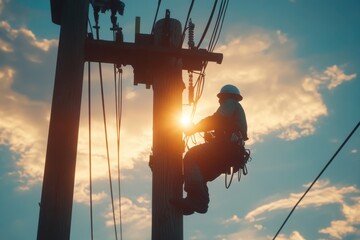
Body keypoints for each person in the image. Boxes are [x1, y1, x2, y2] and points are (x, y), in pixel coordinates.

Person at [170, 84, 248, 215]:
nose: (219, 101)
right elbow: (224, 127)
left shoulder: (230, 103)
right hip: (231, 154)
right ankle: (196, 202)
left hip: (227, 149)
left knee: (191, 156)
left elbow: (216, 120)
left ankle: (197, 200)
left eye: (220, 98)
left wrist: (194, 128)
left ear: (225, 97)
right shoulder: (235, 110)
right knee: (201, 173)